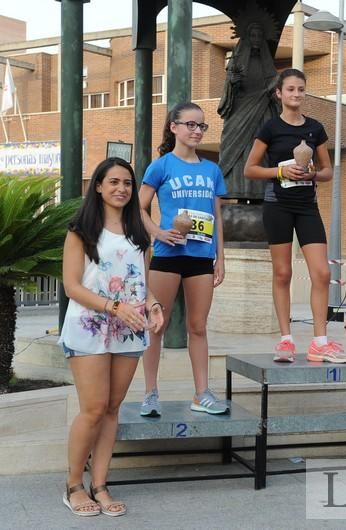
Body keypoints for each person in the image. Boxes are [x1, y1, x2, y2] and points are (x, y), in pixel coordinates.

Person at [59, 157, 164, 517]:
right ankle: (73, 485)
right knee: (92, 409)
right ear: (99, 187)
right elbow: (72, 286)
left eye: (128, 183)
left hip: (129, 331)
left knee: (112, 410)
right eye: (114, 182)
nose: (122, 188)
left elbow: (142, 283)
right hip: (90, 326)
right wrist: (114, 307)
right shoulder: (81, 231)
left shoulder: (139, 234)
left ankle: (100, 484)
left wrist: (153, 305)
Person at [243, 68, 346, 364]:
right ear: (279, 94)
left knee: (323, 272)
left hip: (307, 206)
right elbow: (250, 169)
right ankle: (286, 340)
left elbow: (328, 171)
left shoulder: (315, 128)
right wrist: (280, 171)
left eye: (301, 89)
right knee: (283, 272)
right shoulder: (269, 128)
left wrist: (313, 173)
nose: (296, 94)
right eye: (290, 89)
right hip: (277, 204)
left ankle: (319, 342)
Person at [138, 102, 228, 417]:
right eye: (190, 124)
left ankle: (201, 393)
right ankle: (150, 393)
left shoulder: (211, 170)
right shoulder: (161, 166)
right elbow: (139, 208)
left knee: (198, 326)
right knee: (156, 325)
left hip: (201, 257)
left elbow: (217, 215)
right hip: (167, 256)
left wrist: (221, 256)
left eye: (201, 126)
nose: (196, 131)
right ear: (173, 126)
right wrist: (157, 234)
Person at [218, 16, 279, 200]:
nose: (255, 38)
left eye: (259, 35)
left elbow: (274, 87)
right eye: (252, 35)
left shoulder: (266, 62)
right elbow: (227, 94)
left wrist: (273, 90)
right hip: (239, 110)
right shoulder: (237, 62)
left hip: (262, 112)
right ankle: (235, 189)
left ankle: (258, 191)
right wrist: (232, 83)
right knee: (237, 151)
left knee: (259, 149)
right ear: (247, 37)